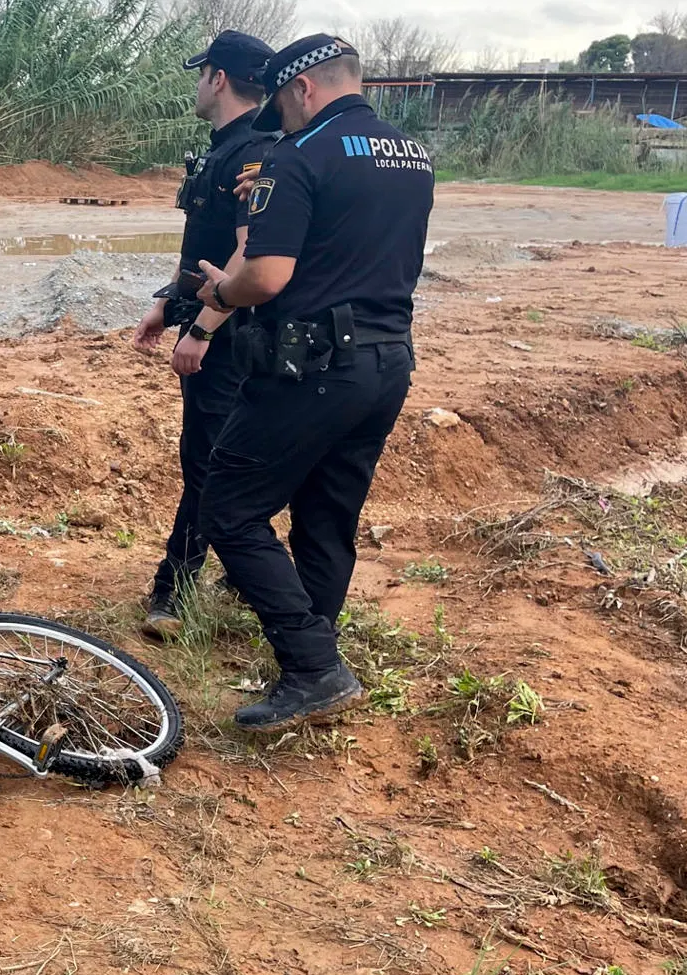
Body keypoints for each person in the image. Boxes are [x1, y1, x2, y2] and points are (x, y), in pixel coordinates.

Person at [193, 34, 435, 732]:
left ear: (302, 89)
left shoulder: (296, 158)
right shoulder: (412, 156)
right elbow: (351, 239)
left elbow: (267, 275)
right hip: (387, 361)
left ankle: (313, 666)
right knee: (327, 517)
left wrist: (225, 288)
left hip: (313, 365)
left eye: (282, 105)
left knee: (230, 508)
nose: (280, 119)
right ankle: (312, 664)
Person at [131, 29, 275, 640]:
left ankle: (176, 588)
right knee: (227, 454)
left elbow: (249, 253)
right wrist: (170, 301)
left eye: (201, 75)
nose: (196, 85)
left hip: (234, 334)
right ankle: (239, 576)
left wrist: (205, 330)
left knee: (208, 462)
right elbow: (206, 246)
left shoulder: (255, 155)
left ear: (217, 78)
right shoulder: (225, 150)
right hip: (213, 319)